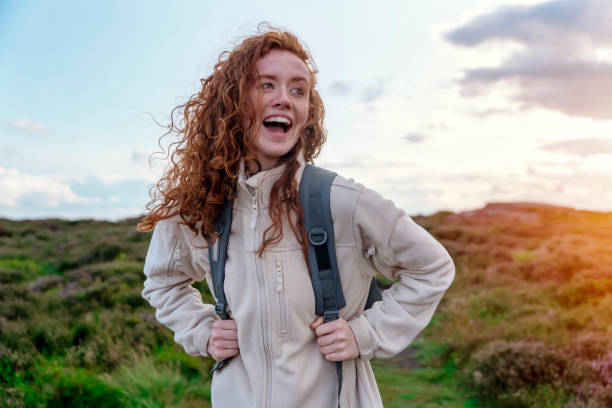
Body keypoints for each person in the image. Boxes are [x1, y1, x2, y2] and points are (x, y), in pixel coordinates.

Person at [139, 27, 455, 408]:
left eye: (298, 90)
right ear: (232, 101)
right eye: (266, 85)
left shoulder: (342, 200)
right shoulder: (199, 206)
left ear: (307, 113)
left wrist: (364, 334)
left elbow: (433, 266)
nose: (284, 99)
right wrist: (202, 331)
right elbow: (162, 282)